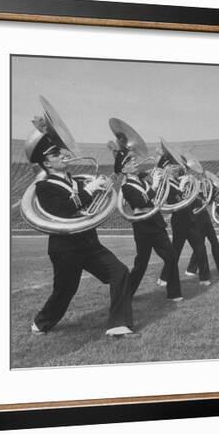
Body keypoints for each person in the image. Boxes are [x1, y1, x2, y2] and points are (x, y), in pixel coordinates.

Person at [27, 124, 136, 337]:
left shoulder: (76, 181)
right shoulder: (44, 187)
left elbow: (87, 203)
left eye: (61, 151)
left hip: (88, 243)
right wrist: (89, 189)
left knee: (120, 272)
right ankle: (41, 323)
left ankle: (118, 325)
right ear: (47, 162)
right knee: (64, 292)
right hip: (65, 248)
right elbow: (64, 210)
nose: (64, 155)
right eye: (56, 154)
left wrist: (102, 185)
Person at [114, 145, 183, 301]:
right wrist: (155, 185)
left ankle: (174, 293)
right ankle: (127, 293)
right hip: (143, 226)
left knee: (171, 256)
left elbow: (157, 197)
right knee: (141, 263)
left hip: (156, 223)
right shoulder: (126, 187)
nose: (135, 162)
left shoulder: (142, 180)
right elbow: (141, 201)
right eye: (130, 161)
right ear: (124, 169)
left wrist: (161, 178)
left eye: (133, 159)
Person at [158, 160, 211, 286]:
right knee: (176, 250)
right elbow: (176, 200)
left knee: (200, 248)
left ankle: (204, 277)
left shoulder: (179, 181)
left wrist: (200, 201)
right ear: (167, 169)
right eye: (173, 166)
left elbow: (190, 199)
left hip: (190, 219)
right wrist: (182, 188)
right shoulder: (166, 183)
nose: (177, 168)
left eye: (176, 166)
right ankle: (164, 277)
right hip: (179, 220)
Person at [185, 196, 219, 278]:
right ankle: (191, 269)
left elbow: (209, 200)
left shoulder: (203, 189)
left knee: (215, 242)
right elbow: (188, 201)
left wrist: (214, 196)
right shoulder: (190, 187)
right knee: (200, 244)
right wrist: (201, 201)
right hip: (196, 217)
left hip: (205, 216)